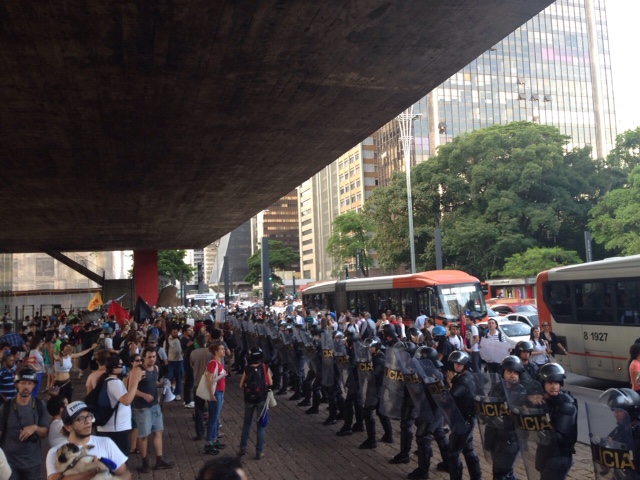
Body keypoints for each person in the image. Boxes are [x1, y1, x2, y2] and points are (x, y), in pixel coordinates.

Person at [45, 400, 130, 480]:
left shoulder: (106, 442)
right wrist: (94, 471)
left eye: (88, 416)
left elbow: (124, 472)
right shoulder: (55, 452)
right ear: (68, 427)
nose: (87, 421)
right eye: (80, 419)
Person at [130, 347, 175, 473]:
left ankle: (159, 459)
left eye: (154, 357)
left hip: (155, 405)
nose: (152, 359)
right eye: (149, 357)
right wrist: (143, 395)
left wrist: (163, 384)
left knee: (158, 431)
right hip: (142, 408)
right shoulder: (137, 370)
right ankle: (145, 461)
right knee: (143, 435)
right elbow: (131, 389)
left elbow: (154, 382)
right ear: (144, 357)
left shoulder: (155, 368)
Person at [0, 367, 50, 480]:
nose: (26, 386)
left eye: (29, 383)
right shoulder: (6, 407)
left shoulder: (39, 405)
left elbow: (44, 432)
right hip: (9, 463)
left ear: (33, 386)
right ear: (17, 385)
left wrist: (35, 428)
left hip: (32, 463)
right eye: (22, 383)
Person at [536, 363, 577, 480]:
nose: (554, 386)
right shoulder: (543, 400)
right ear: (543, 384)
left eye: (557, 383)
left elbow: (558, 437)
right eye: (550, 383)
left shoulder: (566, 404)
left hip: (559, 455)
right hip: (545, 452)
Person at [445, 351, 482, 480]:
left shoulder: (462, 380)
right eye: (455, 363)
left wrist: (449, 382)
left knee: (453, 453)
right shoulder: (468, 376)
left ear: (465, 364)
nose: (457, 366)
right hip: (468, 419)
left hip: (463, 421)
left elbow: (450, 398)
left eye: (460, 364)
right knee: (468, 450)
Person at [96, 354, 141, 456]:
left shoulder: (106, 380)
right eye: (121, 365)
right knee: (119, 458)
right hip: (116, 428)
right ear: (114, 369)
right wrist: (135, 382)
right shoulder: (114, 382)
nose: (123, 367)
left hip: (111, 427)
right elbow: (126, 400)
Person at [238, 346, 272, 460]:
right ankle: (259, 451)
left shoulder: (247, 368)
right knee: (261, 425)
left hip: (249, 399)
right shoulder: (264, 367)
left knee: (246, 423)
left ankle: (242, 447)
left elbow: (240, 384)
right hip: (261, 398)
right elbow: (270, 382)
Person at [360, 336, 393, 449]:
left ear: (377, 347)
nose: (369, 349)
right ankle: (388, 435)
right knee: (381, 412)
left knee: (368, 412)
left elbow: (373, 375)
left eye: (372, 347)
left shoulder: (380, 359)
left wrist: (364, 370)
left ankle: (371, 440)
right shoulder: (374, 356)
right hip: (378, 389)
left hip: (376, 389)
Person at [204, 342, 228, 455]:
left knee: (215, 417)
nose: (224, 351)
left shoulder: (218, 362)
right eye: (221, 349)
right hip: (215, 393)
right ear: (216, 351)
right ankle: (209, 442)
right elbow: (209, 379)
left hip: (219, 393)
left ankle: (213, 439)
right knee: (213, 419)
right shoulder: (213, 363)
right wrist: (211, 394)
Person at [191, 334, 212, 441]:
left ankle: (200, 433)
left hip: (197, 383)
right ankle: (212, 432)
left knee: (199, 409)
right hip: (209, 384)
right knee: (212, 409)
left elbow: (192, 365)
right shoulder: (210, 352)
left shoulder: (193, 353)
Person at [165, 324, 184, 401]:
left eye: (176, 332)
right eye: (174, 332)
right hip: (170, 362)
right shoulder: (166, 341)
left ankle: (177, 393)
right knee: (169, 378)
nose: (175, 333)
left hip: (179, 361)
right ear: (170, 332)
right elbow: (164, 351)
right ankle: (168, 393)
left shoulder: (180, 339)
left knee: (178, 378)